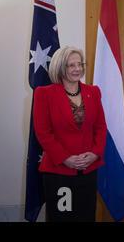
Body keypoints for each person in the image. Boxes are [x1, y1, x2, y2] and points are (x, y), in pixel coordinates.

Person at [33, 46, 107, 222]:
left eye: (80, 64)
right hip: (58, 171)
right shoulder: (44, 94)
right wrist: (66, 158)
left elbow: (101, 127)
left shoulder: (93, 91)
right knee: (62, 218)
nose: (77, 69)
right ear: (60, 67)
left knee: (86, 216)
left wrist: (95, 153)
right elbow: (43, 133)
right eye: (71, 65)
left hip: (88, 170)